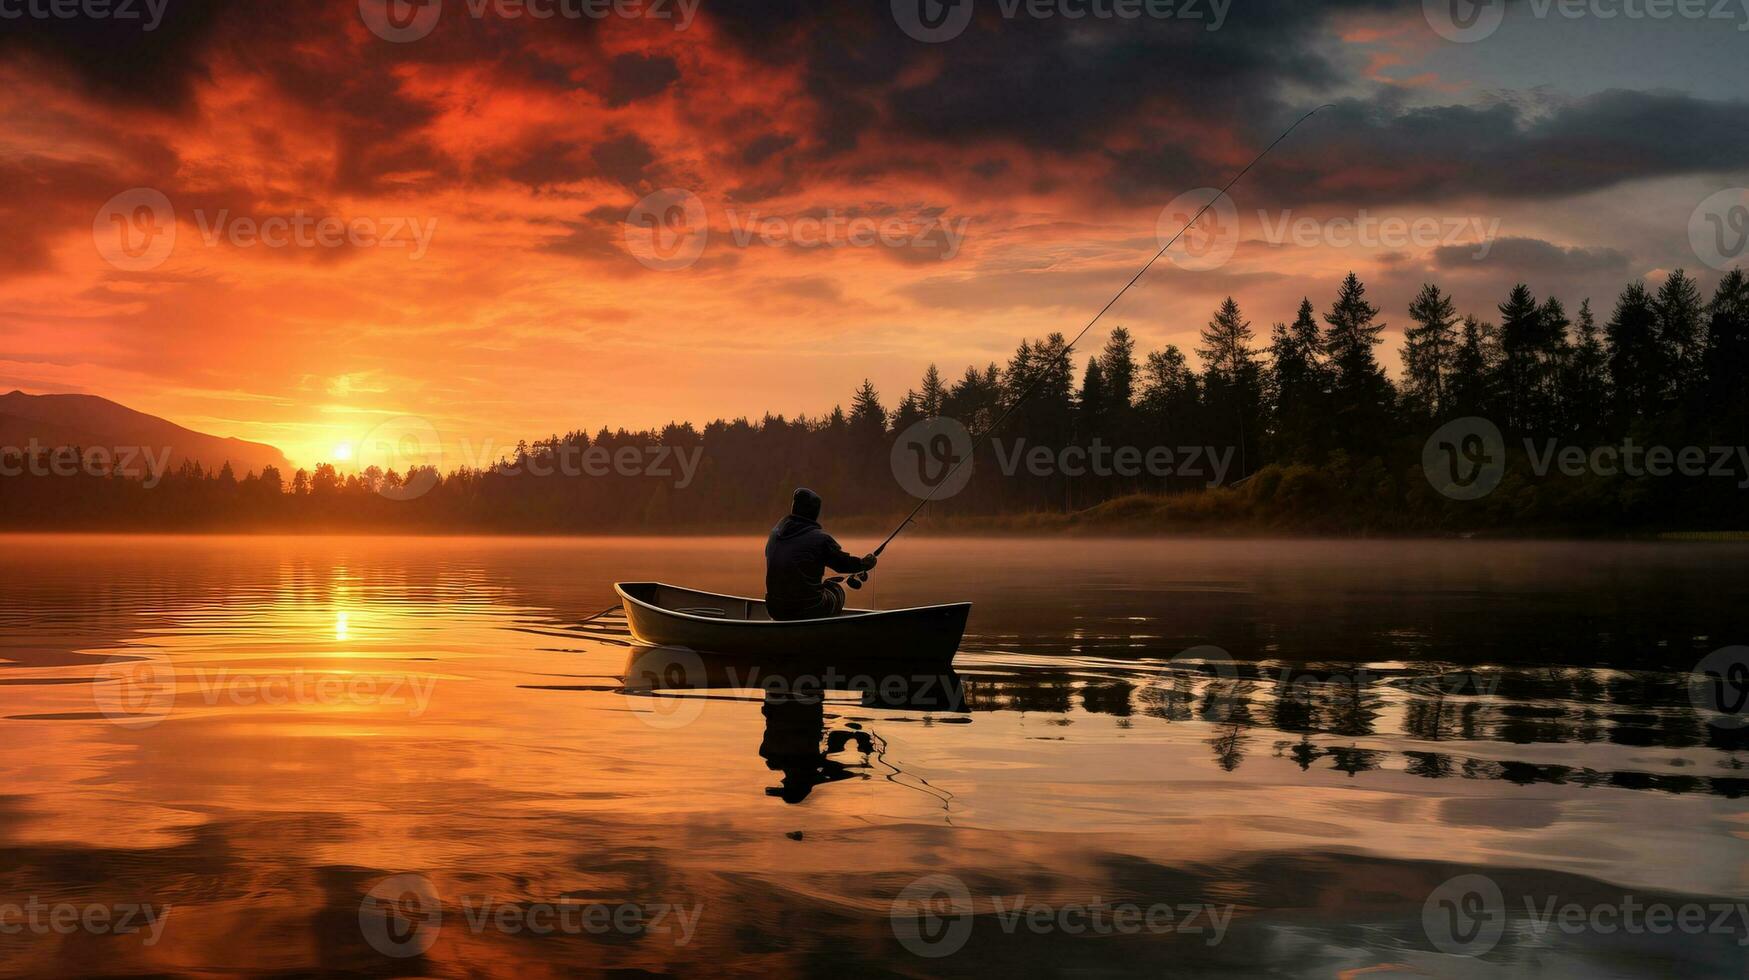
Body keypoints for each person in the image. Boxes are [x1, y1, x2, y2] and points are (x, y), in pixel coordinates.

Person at [764, 487, 876, 621]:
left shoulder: (774, 535)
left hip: (774, 609)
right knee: (840, 588)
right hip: (810, 609)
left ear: (794, 507)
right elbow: (843, 564)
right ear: (815, 512)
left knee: (828, 583)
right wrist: (864, 564)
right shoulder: (820, 540)